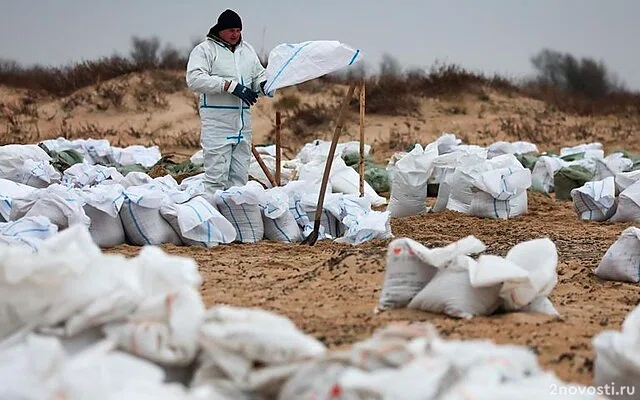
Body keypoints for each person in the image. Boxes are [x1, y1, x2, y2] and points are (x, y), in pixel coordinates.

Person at [186, 9, 268, 200]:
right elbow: (195, 79)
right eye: (231, 30)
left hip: (242, 125)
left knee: (239, 181)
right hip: (217, 125)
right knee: (216, 180)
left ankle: (234, 223)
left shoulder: (247, 51)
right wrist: (229, 85)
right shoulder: (205, 50)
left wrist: (265, 85)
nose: (235, 34)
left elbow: (257, 75)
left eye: (238, 30)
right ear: (220, 30)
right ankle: (213, 223)